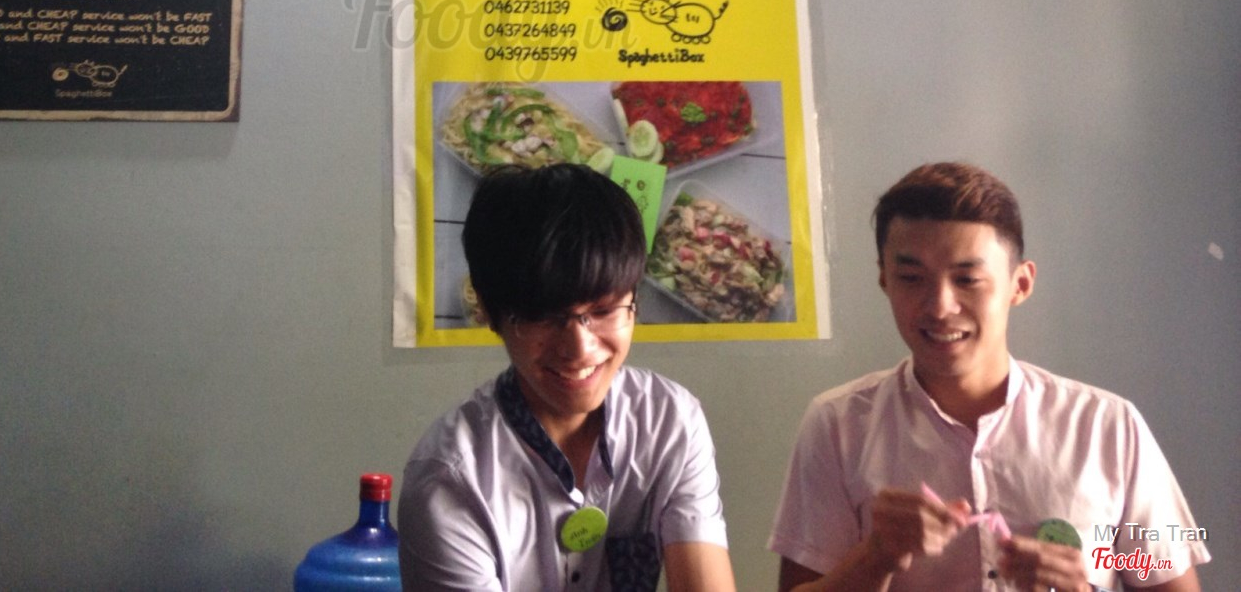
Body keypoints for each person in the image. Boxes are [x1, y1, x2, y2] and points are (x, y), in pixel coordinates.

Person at [769, 162, 1211, 592]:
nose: (940, 306)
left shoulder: (1109, 426)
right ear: (885, 280)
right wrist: (876, 556)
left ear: (1020, 284)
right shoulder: (838, 426)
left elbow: (1163, 574)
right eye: (911, 277)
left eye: (967, 279)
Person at [398, 162, 736, 592]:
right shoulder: (451, 478)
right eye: (544, 316)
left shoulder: (668, 422)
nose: (579, 348)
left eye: (604, 310)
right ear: (489, 310)